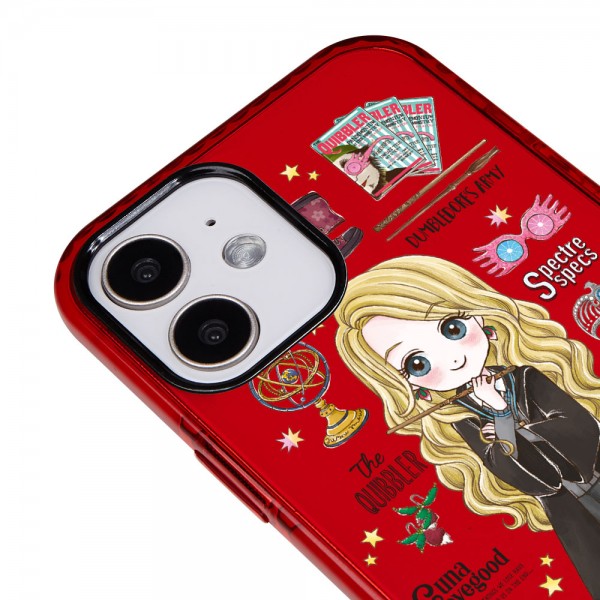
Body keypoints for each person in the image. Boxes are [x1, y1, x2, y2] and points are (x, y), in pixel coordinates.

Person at [335, 255, 600, 596]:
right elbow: (534, 480)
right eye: (418, 363)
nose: (454, 358)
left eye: (452, 329)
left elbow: (582, 433)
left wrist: (508, 425)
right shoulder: (461, 422)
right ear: (407, 384)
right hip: (576, 518)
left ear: (477, 315)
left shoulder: (527, 377)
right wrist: (502, 416)